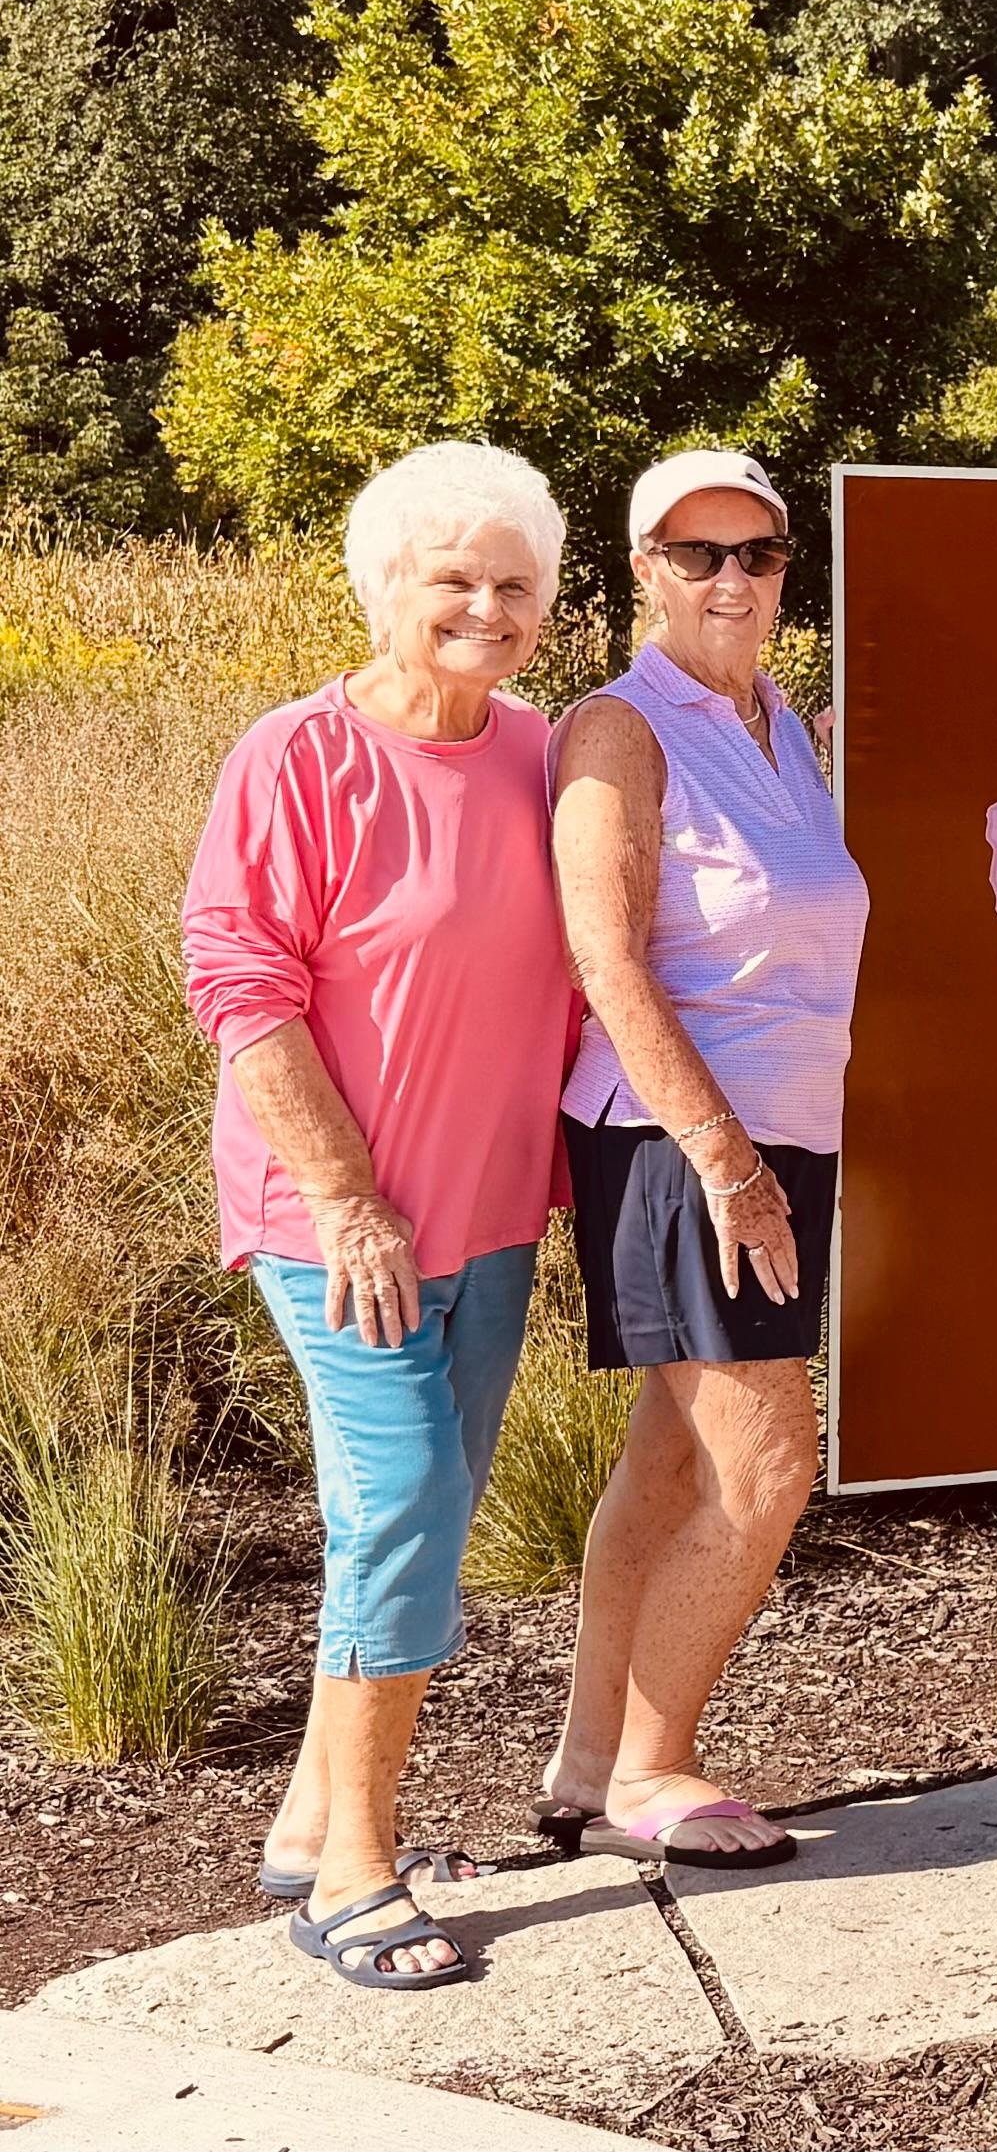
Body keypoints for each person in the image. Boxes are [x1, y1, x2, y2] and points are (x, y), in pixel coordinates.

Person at [181, 444, 575, 1991]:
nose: (486, 606)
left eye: (516, 582)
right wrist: (347, 1200)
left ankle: (305, 1817)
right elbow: (242, 988)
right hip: (338, 1219)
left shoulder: (544, 750)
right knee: (405, 1501)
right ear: (384, 588)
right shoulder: (296, 755)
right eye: (452, 579)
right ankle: (353, 1867)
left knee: (420, 1509)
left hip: (490, 1215)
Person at [534, 450, 866, 1868]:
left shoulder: (786, 724)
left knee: (672, 1461)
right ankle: (659, 1775)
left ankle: (590, 1757)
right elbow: (607, 961)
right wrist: (725, 1155)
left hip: (789, 1135)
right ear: (642, 573)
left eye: (760, 552)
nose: (733, 579)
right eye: (696, 553)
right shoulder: (621, 729)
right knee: (770, 1463)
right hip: (682, 1146)